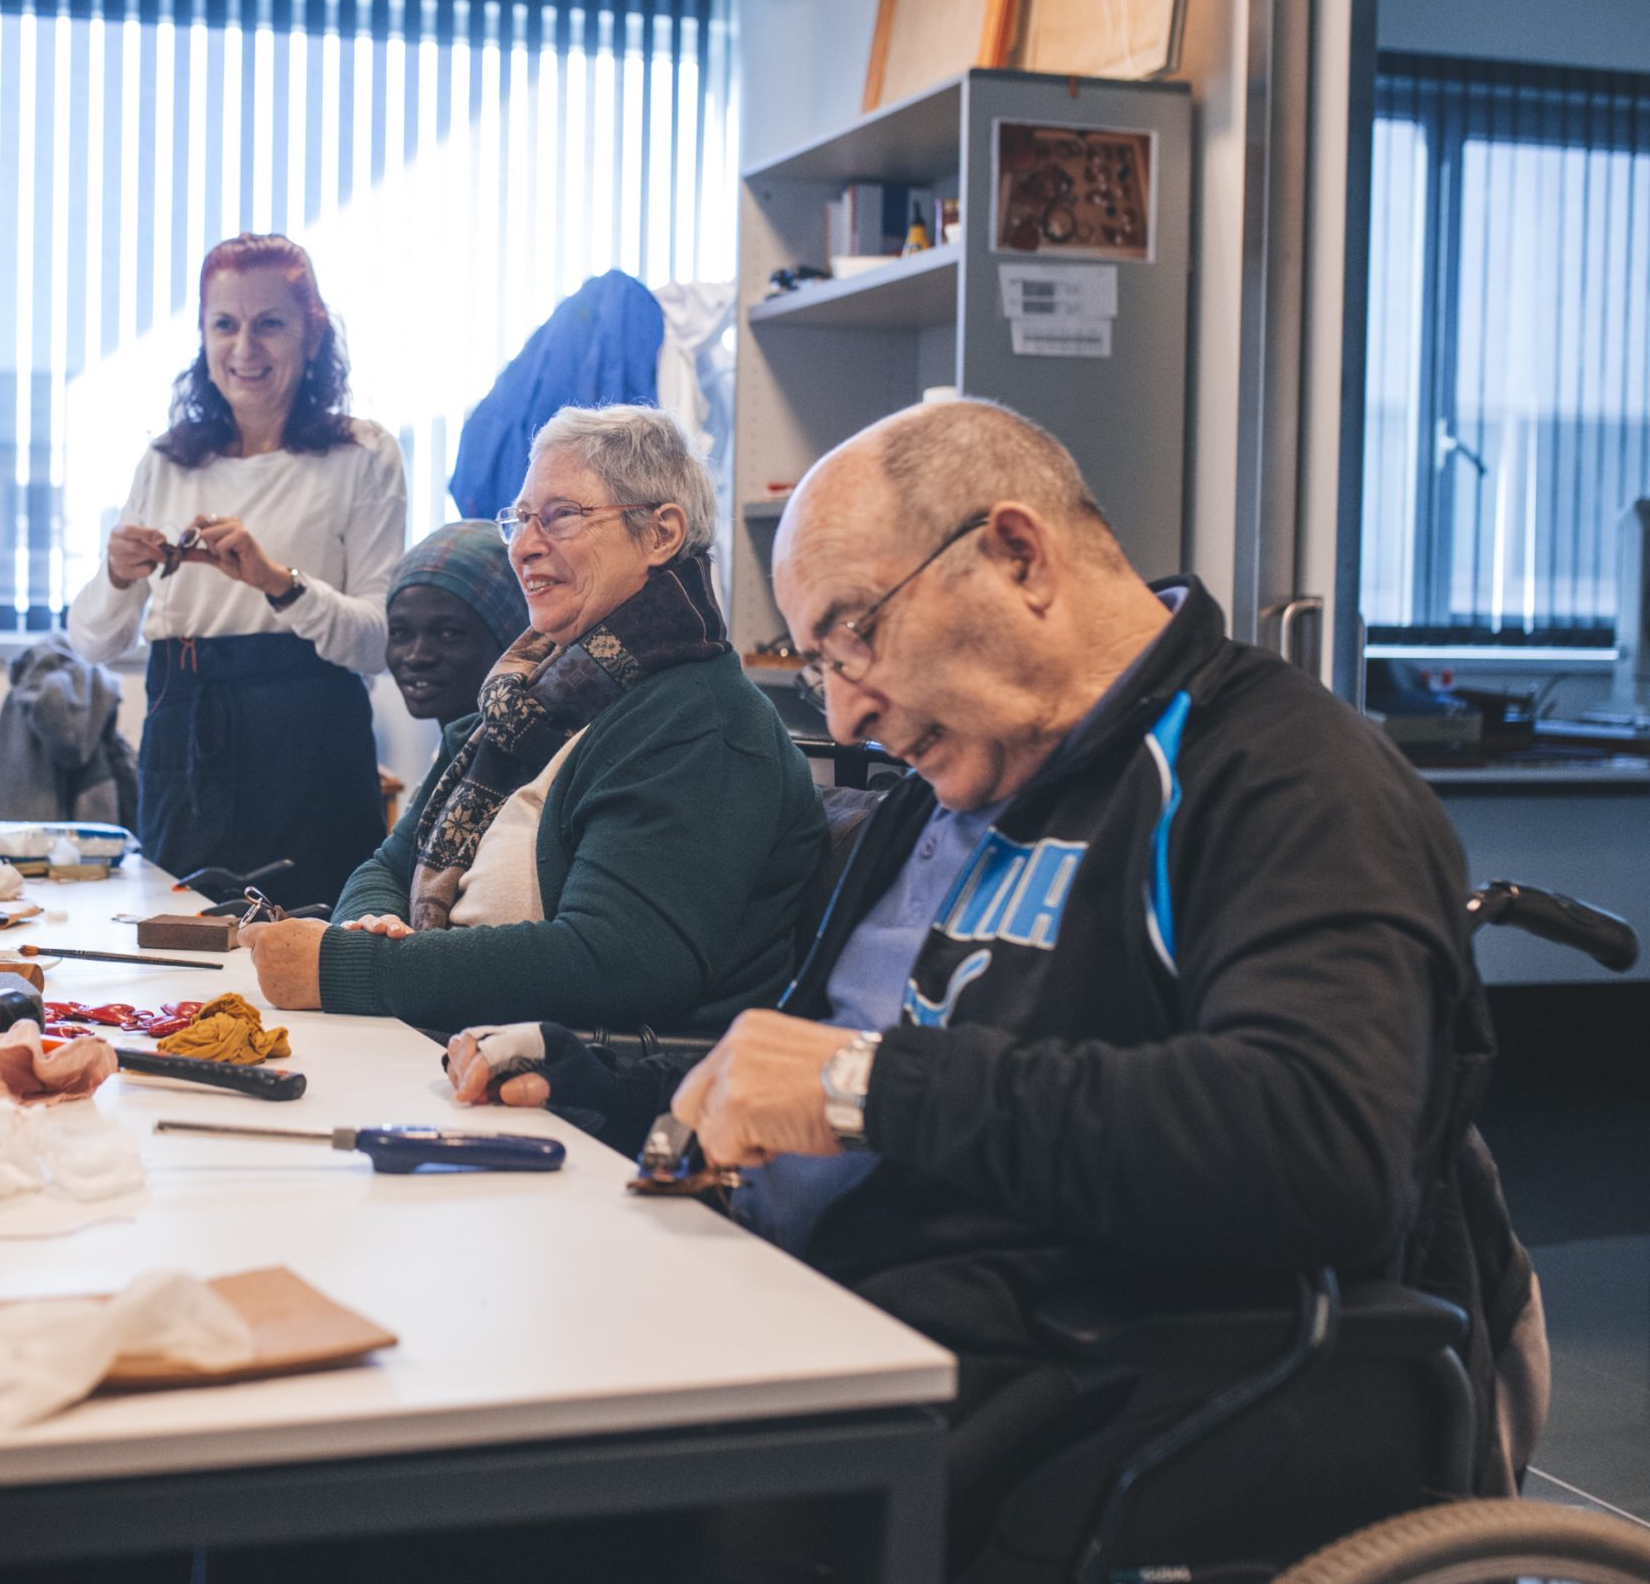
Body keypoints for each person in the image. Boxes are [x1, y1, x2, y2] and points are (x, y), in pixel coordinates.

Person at [441, 399, 1536, 1572]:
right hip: (782, 1300)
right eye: (817, 666)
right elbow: (849, 1058)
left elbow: (1317, 1148)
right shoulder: (954, 776)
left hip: (1027, 1394)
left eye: (854, 635)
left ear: (1017, 556)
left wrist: (868, 1088)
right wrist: (602, 1059)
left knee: (440, 1512)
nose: (847, 709)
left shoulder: (1280, 775)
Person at [244, 405, 828, 1036]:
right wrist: (371, 931)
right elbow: (387, 866)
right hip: (457, 1051)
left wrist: (355, 966)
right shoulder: (521, 701)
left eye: (561, 516)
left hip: (585, 1101)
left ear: (661, 534)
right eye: (521, 519)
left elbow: (619, 962)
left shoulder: (698, 723)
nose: (523, 546)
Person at [68, 233, 405, 908]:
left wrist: (278, 582)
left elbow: (380, 642)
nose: (244, 349)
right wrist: (114, 574)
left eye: (269, 324)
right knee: (175, 961)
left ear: (312, 336)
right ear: (202, 335)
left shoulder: (363, 453)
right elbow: (93, 643)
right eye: (224, 324)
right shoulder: (165, 462)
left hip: (312, 748)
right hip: (182, 742)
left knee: (314, 965)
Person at [385, 518, 529, 725]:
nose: (416, 657)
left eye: (448, 634)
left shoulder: (541, 754)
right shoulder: (457, 753)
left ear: (514, 640)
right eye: (400, 633)